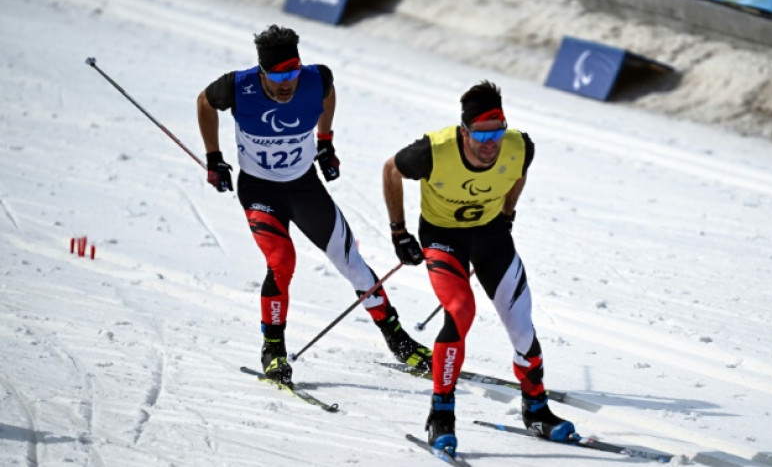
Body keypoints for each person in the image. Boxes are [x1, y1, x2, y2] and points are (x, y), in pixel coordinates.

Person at [196, 24, 432, 386]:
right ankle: (273, 350)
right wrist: (214, 158)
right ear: (262, 73)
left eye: (293, 72)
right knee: (281, 262)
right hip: (260, 191)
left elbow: (328, 92)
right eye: (278, 76)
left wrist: (325, 141)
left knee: (352, 263)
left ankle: (398, 339)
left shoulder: (316, 79)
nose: (287, 83)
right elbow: (204, 102)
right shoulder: (237, 86)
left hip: (305, 187)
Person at [382, 81, 575, 455]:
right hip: (443, 239)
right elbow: (391, 169)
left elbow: (519, 170)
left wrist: (507, 213)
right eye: (481, 134)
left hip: (490, 237)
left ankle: (536, 408)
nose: (490, 143)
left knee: (521, 325)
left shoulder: (520, 145)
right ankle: (441, 414)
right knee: (461, 311)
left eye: (497, 132)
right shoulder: (432, 151)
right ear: (464, 130)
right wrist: (398, 231)